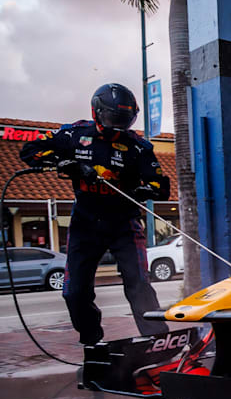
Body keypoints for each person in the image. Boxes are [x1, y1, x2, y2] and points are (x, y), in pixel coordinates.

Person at [20, 83, 170, 345]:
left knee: (138, 285)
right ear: (97, 112)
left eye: (124, 119)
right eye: (113, 118)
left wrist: (143, 189)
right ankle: (92, 342)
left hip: (124, 223)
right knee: (74, 291)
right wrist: (66, 164)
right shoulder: (74, 134)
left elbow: (160, 186)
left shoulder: (138, 147)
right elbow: (29, 150)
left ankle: (158, 341)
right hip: (85, 223)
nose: (117, 125)